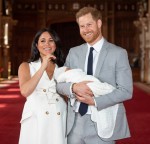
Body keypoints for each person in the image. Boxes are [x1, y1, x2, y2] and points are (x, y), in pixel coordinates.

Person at [56, 7, 133, 144]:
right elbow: (59, 85)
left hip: (103, 122)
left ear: (99, 23)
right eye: (82, 26)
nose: (86, 30)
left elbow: (126, 91)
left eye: (89, 24)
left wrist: (95, 102)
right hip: (74, 123)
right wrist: (74, 87)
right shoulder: (74, 52)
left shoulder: (118, 53)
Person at [18, 27, 67, 144]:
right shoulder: (26, 66)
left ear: (56, 44)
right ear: (36, 45)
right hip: (36, 119)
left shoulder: (63, 68)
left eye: (51, 40)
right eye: (42, 41)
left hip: (58, 118)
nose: (47, 44)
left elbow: (67, 95)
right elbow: (25, 91)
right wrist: (43, 66)